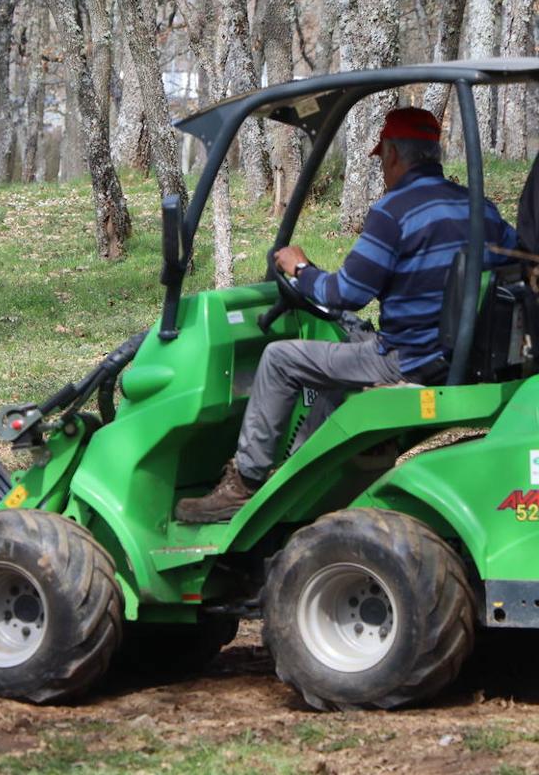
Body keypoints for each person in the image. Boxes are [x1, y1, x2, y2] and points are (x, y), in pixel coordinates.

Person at [175, 107, 520, 524]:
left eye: (381, 160)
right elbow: (511, 265)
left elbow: (346, 295)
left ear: (392, 155)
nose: (382, 169)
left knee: (281, 360)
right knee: (336, 367)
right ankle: (296, 476)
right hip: (464, 356)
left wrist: (300, 269)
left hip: (407, 359)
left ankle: (244, 483)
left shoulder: (393, 212)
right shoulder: (479, 207)